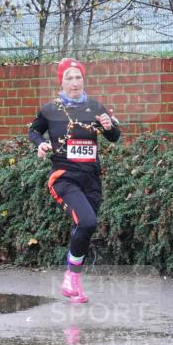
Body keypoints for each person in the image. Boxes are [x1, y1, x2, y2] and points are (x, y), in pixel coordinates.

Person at [28, 57, 121, 303]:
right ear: (61, 81)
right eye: (69, 78)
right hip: (64, 177)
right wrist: (41, 145)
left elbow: (114, 136)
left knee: (83, 227)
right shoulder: (50, 109)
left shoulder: (95, 107)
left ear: (83, 79)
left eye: (78, 77)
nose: (74, 82)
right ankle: (71, 276)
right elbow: (33, 130)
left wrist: (109, 126)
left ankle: (74, 284)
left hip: (91, 178)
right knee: (88, 222)